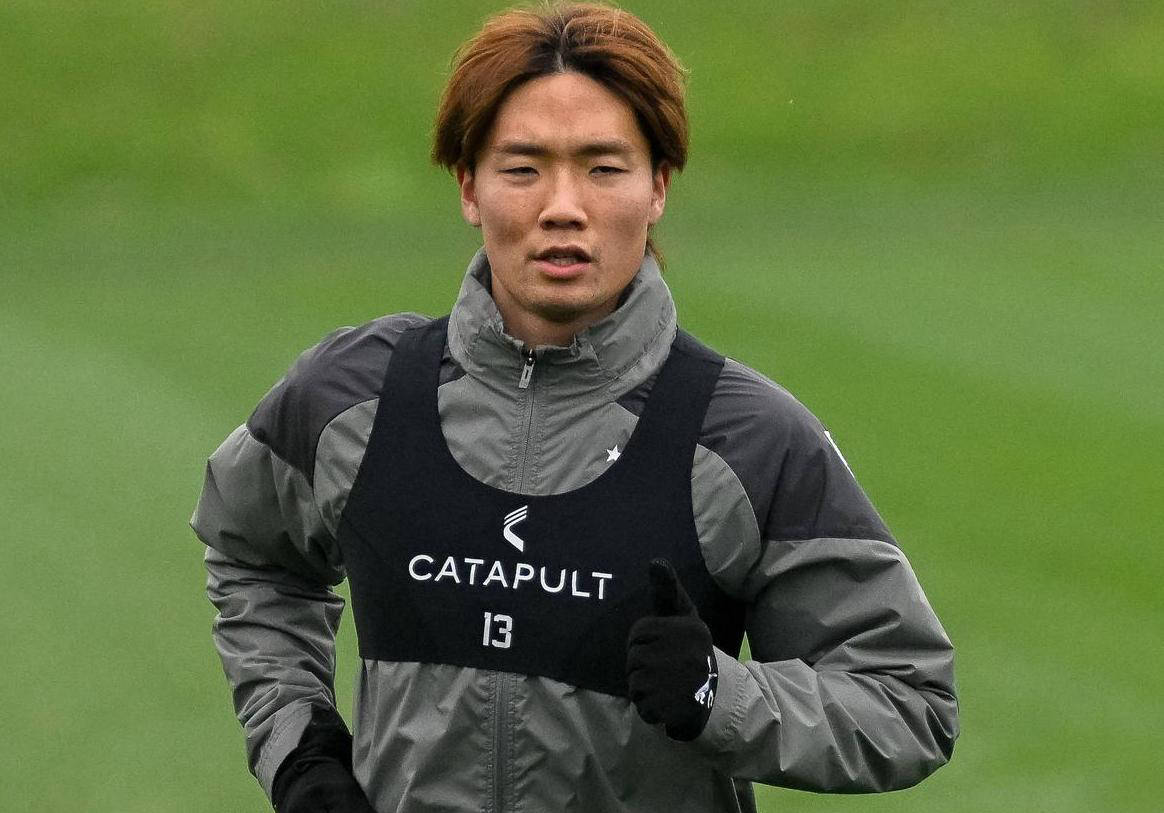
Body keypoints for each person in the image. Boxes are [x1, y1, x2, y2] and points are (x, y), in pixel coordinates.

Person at [190, 3, 958, 811]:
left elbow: (907, 701)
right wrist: (299, 750)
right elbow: (251, 556)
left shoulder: (749, 441)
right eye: (523, 168)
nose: (563, 205)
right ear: (469, 187)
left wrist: (717, 695)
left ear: (658, 187)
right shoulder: (355, 398)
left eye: (603, 167)